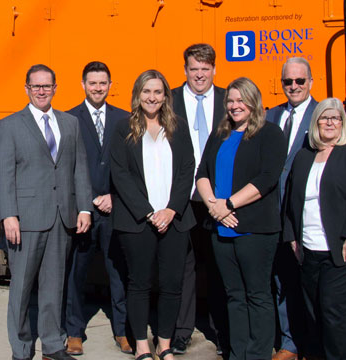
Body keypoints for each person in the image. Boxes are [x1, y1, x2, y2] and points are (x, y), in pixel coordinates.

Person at [0, 64, 93, 360]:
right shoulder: (10, 125)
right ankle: (21, 349)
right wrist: (9, 214)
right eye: (35, 86)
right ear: (26, 89)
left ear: (55, 89)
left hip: (62, 217)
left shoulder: (70, 123)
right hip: (26, 218)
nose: (41, 91)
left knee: (54, 286)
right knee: (22, 289)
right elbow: (3, 173)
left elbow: (79, 169)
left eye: (46, 86)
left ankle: (52, 344)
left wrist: (84, 207)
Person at [195, 77, 287, 360]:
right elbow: (202, 174)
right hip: (221, 227)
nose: (235, 106)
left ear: (253, 102)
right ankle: (237, 353)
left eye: (241, 100)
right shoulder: (220, 133)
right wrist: (214, 207)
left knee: (257, 295)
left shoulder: (270, 133)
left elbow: (268, 178)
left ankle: (258, 354)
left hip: (255, 229)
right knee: (233, 295)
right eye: (231, 101)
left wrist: (230, 204)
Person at [110, 69, 196, 360]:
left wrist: (171, 210)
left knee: (172, 284)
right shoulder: (124, 129)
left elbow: (187, 171)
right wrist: (149, 213)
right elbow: (120, 175)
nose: (152, 97)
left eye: (158, 92)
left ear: (165, 96)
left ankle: (165, 343)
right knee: (139, 283)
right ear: (137, 95)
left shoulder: (178, 127)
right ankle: (142, 346)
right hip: (138, 222)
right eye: (146, 91)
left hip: (175, 220)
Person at [283, 98, 346, 360]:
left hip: (344, 252)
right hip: (309, 250)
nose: (330, 122)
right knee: (314, 315)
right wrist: (292, 237)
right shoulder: (304, 157)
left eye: (335, 118)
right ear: (316, 123)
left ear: (343, 123)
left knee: (336, 316)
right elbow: (291, 199)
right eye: (324, 117)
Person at [63, 61, 132, 356]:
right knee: (76, 272)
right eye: (92, 83)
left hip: (116, 209)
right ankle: (74, 333)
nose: (97, 88)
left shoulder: (125, 119)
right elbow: (66, 168)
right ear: (83, 85)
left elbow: (131, 166)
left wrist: (114, 196)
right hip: (84, 210)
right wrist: (89, 200)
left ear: (110, 85)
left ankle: (123, 331)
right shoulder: (69, 119)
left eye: (103, 83)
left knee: (119, 272)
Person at [170, 42, 230, 356]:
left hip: (217, 199)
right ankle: (182, 332)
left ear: (214, 70)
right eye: (194, 69)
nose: (200, 75)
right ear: (186, 70)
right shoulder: (170, 99)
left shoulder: (227, 99)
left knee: (219, 266)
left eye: (205, 69)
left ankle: (221, 332)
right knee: (184, 267)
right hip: (181, 196)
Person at [264, 57, 318, 360]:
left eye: (300, 81)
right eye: (288, 81)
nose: (294, 86)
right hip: (273, 211)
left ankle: (308, 342)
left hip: (305, 213)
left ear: (310, 81)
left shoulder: (322, 114)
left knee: (308, 281)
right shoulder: (272, 116)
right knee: (280, 279)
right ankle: (288, 342)